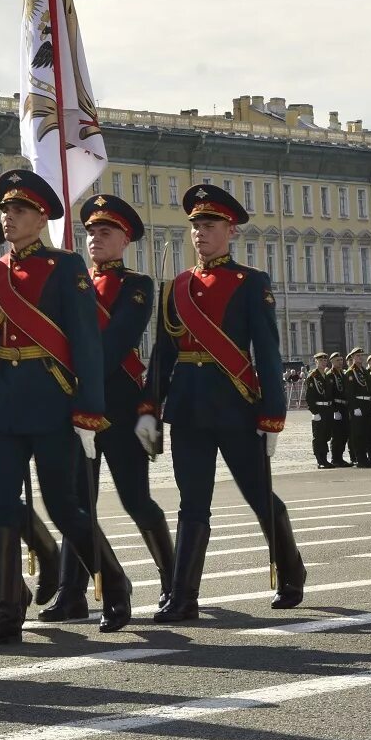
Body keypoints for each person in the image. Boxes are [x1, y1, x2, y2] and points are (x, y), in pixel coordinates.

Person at [0, 170, 129, 646]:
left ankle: (113, 584)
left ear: (41, 216)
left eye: (18, 210)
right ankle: (4, 614)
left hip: (52, 400)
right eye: (5, 210)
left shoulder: (66, 266)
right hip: (3, 406)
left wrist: (89, 409)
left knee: (63, 506)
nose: (8, 217)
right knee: (2, 508)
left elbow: (86, 342)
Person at [141, 183, 304, 621]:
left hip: (236, 405)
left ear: (230, 231)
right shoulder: (175, 286)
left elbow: (267, 352)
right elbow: (164, 353)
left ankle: (291, 571)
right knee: (192, 501)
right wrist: (149, 405)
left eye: (209, 225)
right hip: (189, 409)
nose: (200, 233)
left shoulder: (250, 283)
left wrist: (273, 413)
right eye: (195, 225)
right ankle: (183, 595)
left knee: (258, 495)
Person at [47, 194, 175, 621]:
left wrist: (79, 374)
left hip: (117, 402)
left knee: (134, 498)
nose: (95, 239)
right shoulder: (72, 280)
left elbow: (118, 340)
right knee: (76, 501)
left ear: (125, 240)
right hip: (74, 400)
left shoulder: (136, 285)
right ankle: (72, 592)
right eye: (91, 233)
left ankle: (173, 578)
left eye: (106, 232)